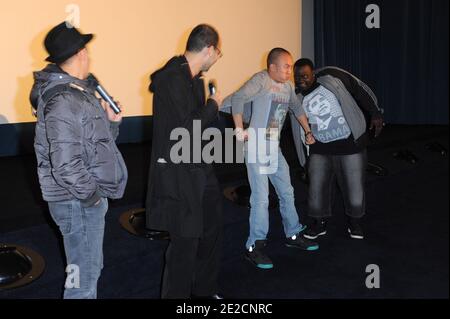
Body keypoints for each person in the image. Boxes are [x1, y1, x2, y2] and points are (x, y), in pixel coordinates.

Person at [31, 22, 128, 299]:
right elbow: (66, 165)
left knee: (87, 271)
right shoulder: (62, 99)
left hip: (79, 200)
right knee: (81, 283)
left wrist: (112, 123)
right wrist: (92, 198)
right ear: (82, 53)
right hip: (76, 202)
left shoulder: (76, 92)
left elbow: (95, 146)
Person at [145, 24, 224, 299]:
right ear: (210, 49)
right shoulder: (171, 78)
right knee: (184, 244)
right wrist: (213, 105)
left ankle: (204, 291)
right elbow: (187, 127)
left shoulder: (193, 78)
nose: (217, 58)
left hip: (200, 169)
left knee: (211, 231)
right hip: (178, 176)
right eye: (219, 53)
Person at [226, 48, 319, 270]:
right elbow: (238, 98)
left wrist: (307, 131)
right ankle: (254, 246)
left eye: (290, 65)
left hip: (273, 147)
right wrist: (239, 129)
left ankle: (293, 234)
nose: (290, 70)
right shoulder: (261, 80)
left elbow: (297, 108)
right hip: (256, 145)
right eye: (286, 66)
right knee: (261, 197)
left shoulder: (287, 87)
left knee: (287, 191)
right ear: (272, 67)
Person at [293, 58, 384, 240]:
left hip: (349, 145)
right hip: (319, 149)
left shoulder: (332, 76)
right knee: (317, 189)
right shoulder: (296, 97)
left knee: (354, 186)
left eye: (305, 76)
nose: (301, 80)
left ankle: (354, 222)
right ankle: (319, 223)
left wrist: (375, 113)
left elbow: (360, 89)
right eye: (297, 77)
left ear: (313, 73)